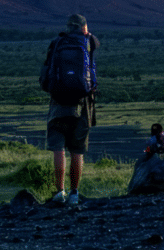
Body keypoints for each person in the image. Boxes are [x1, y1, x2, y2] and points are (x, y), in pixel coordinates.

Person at [42, 13, 98, 205]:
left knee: (58, 148)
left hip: (58, 105)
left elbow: (44, 79)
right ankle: (74, 193)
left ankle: (60, 192)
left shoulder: (57, 43)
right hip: (82, 106)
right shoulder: (88, 42)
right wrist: (87, 34)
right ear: (83, 27)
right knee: (77, 150)